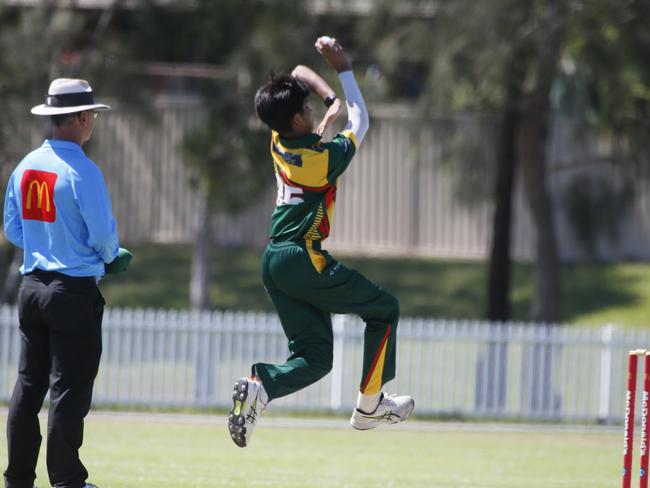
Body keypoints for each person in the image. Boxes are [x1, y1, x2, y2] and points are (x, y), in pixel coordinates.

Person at [228, 36, 414, 448]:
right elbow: (361, 120)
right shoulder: (319, 163)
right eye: (306, 109)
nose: (312, 109)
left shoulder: (278, 139)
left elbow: (297, 75)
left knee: (315, 359)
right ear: (296, 120)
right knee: (385, 309)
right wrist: (343, 69)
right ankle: (370, 405)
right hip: (301, 258)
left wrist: (326, 105)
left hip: (273, 260)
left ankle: (262, 386)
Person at [3, 78, 132, 488]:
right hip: (71, 292)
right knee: (68, 390)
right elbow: (102, 235)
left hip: (32, 288)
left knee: (27, 386)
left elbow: (13, 230)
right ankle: (67, 481)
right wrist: (110, 258)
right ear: (79, 118)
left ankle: (19, 478)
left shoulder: (25, 166)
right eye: (91, 114)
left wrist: (47, 244)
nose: (93, 120)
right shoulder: (82, 170)